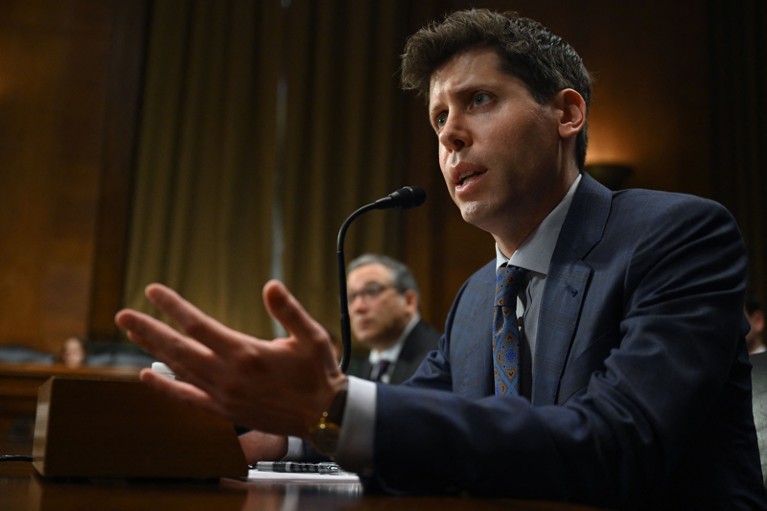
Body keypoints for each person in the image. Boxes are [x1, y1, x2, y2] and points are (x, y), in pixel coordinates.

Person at [114, 9, 767, 510]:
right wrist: (281, 426)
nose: (449, 133)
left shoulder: (678, 236)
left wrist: (332, 407)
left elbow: (615, 444)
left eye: (478, 100)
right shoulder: (479, 295)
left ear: (566, 113)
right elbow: (413, 421)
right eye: (437, 118)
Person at [345, 254, 440, 384]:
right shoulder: (355, 369)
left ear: (409, 301)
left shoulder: (437, 358)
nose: (358, 307)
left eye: (372, 291)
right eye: (351, 297)